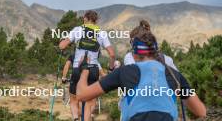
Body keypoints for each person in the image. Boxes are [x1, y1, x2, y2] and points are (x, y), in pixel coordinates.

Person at [76, 25, 206, 121]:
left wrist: (84, 70)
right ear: (156, 51)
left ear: (134, 54)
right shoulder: (174, 74)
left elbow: (82, 95)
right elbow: (201, 111)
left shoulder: (125, 72)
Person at [59, 10, 115, 121]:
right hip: (93, 70)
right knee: (89, 102)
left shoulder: (77, 30)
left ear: (85, 18)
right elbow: (112, 54)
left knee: (74, 99)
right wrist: (111, 68)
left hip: (77, 68)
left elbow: (62, 46)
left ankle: (75, 118)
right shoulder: (102, 33)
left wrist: (62, 42)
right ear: (96, 20)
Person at [61, 54, 107, 120]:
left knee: (75, 100)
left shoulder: (73, 55)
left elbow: (67, 65)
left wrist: (64, 77)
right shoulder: (94, 57)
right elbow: (102, 74)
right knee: (91, 101)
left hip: (77, 76)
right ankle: (89, 115)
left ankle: (76, 118)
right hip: (92, 76)